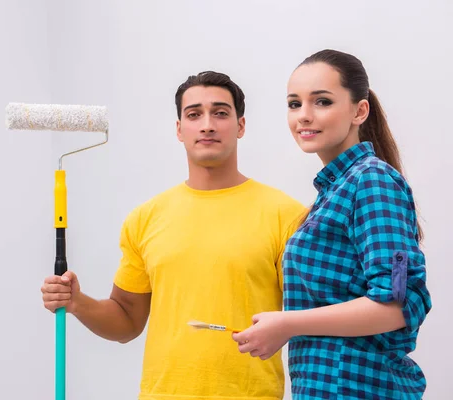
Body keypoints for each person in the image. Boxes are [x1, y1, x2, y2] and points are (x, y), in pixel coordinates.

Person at [41, 70, 306, 399]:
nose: (207, 124)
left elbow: (307, 320)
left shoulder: (288, 216)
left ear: (240, 125)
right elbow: (127, 320)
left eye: (220, 113)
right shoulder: (145, 218)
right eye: (194, 114)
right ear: (180, 129)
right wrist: (77, 302)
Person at [232, 49, 432, 399]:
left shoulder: (371, 180)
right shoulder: (334, 191)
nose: (304, 116)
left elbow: (399, 304)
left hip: (361, 388)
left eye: (321, 102)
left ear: (360, 110)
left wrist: (288, 324)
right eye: (294, 104)